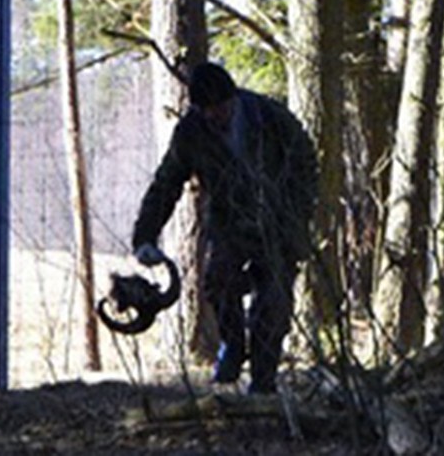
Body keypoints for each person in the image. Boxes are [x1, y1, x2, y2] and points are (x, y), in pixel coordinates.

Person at [132, 61, 318, 394]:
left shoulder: (269, 117)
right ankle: (233, 346)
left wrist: (297, 213)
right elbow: (167, 183)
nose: (216, 116)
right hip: (229, 225)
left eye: (222, 107)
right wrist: (145, 236)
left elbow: (306, 161)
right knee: (218, 285)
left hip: (278, 225)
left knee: (272, 307)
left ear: (234, 98)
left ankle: (263, 383)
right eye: (208, 111)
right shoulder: (192, 131)